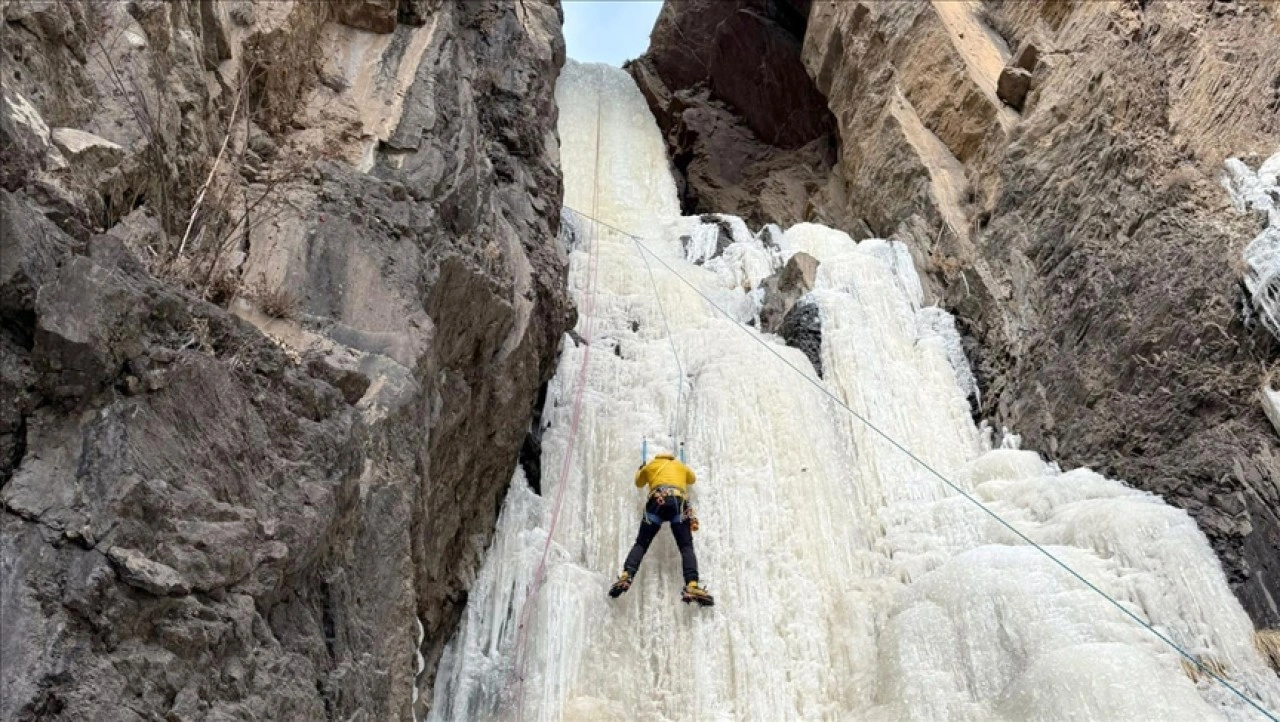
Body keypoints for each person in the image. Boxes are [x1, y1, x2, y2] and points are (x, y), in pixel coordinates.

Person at [608, 449, 714, 606]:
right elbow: (692, 479)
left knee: (641, 544)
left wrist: (641, 469)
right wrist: (682, 469)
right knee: (685, 546)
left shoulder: (651, 465)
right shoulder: (679, 465)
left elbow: (638, 483)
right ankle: (692, 585)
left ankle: (626, 575)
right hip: (678, 503)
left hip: (657, 502)